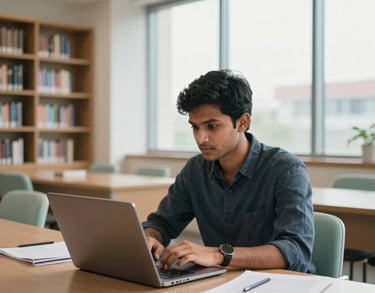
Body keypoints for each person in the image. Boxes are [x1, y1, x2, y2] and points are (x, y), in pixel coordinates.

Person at [142, 69, 315, 273]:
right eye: (195, 127)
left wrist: (217, 255)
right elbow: (161, 223)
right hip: (223, 282)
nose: (200, 138)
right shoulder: (195, 170)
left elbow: (296, 251)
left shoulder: (286, 170)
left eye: (212, 126)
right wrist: (151, 237)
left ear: (242, 122)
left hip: (279, 284)